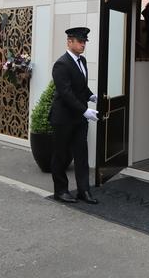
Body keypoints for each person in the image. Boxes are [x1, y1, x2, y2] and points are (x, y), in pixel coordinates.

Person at [49, 27, 99, 204]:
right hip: (63, 118)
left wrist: (91, 96)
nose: (83, 44)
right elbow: (66, 93)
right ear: (69, 42)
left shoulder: (82, 61)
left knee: (81, 155)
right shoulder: (61, 64)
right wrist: (85, 111)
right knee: (61, 155)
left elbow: (81, 87)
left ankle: (83, 191)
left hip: (79, 118)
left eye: (84, 41)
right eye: (80, 41)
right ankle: (60, 191)